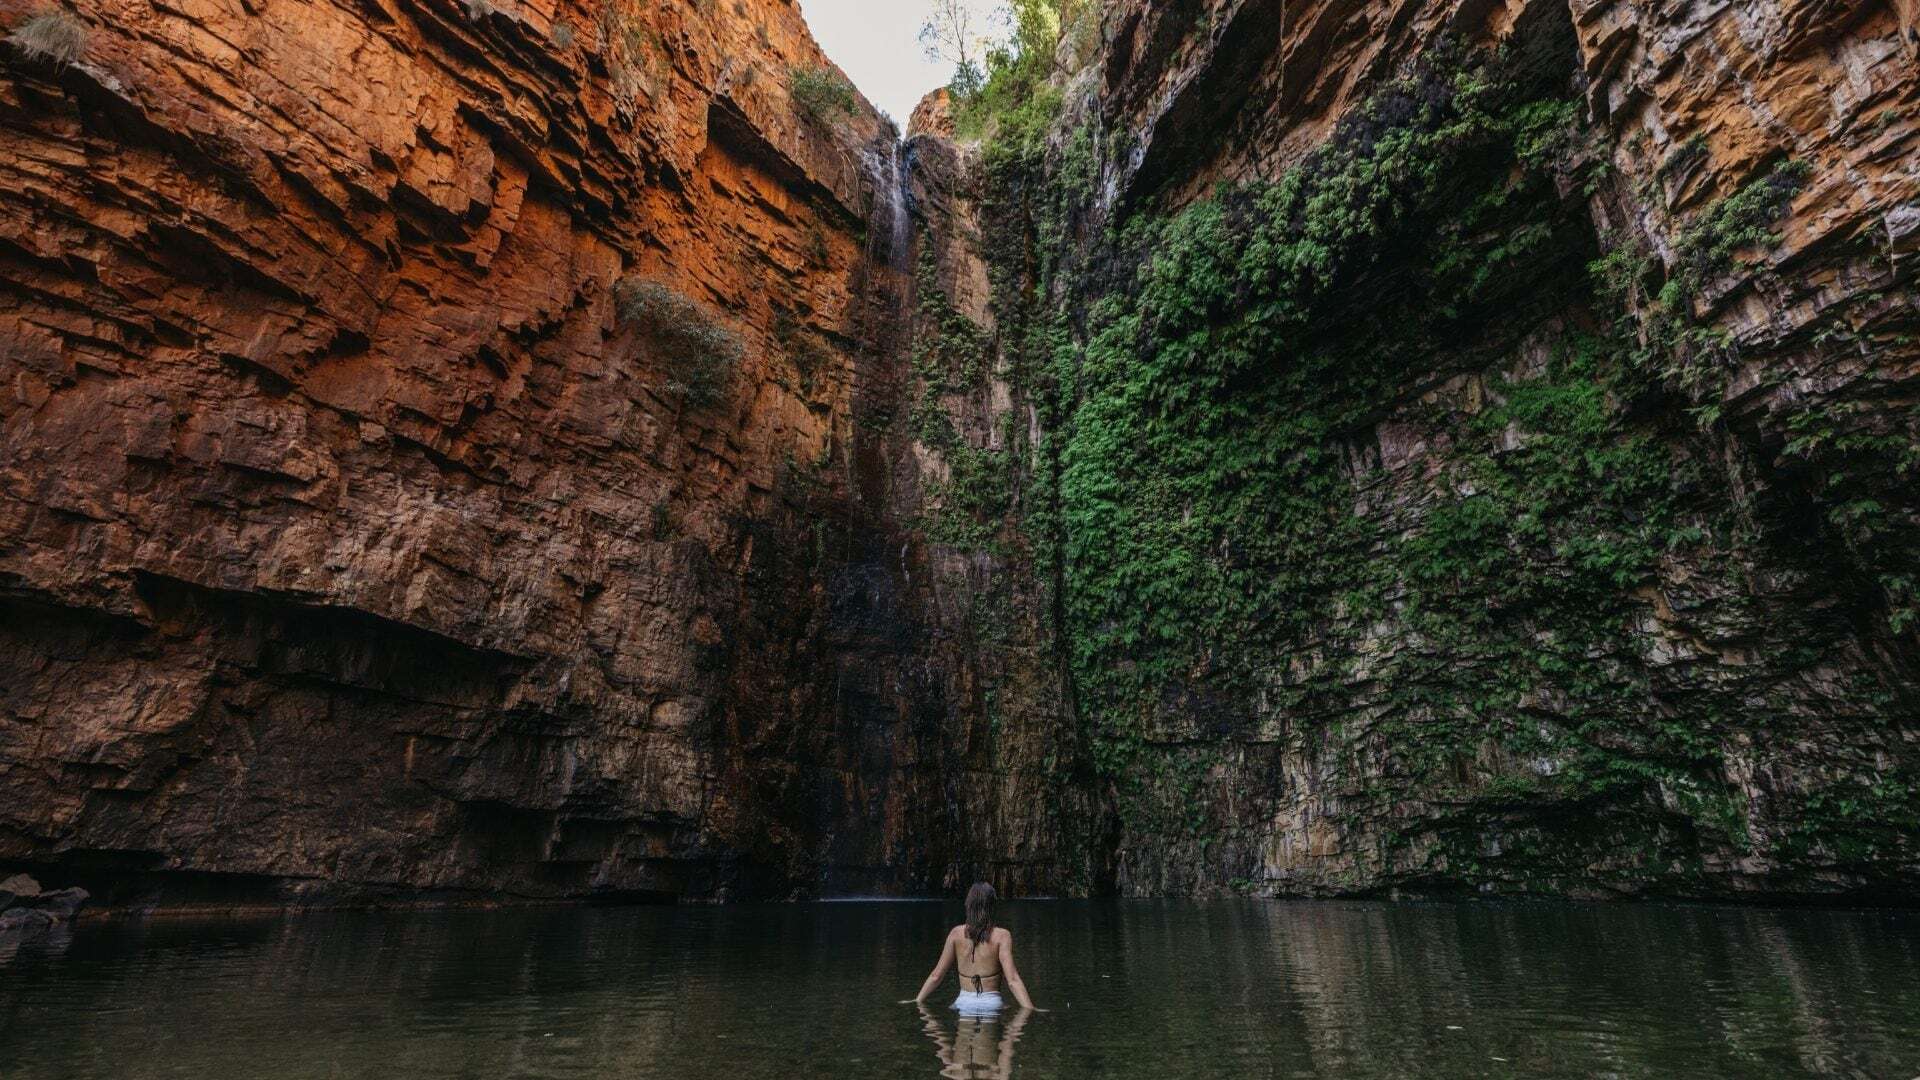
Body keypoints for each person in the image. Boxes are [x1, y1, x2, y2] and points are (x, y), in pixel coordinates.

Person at [903, 882, 1041, 1014]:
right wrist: (1031, 1009)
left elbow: (936, 976)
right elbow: (1013, 980)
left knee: (962, 1038)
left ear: (968, 905)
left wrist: (918, 1000)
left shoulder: (956, 933)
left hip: (963, 1003)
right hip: (991, 1004)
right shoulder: (1002, 936)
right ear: (991, 906)